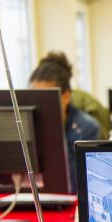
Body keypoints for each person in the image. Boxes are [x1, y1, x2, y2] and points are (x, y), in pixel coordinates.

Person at [29, 51, 100, 192]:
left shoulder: (87, 128)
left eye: (44, 98)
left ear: (66, 96)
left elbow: (77, 184)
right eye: (32, 96)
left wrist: (54, 131)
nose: (37, 104)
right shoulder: (27, 125)